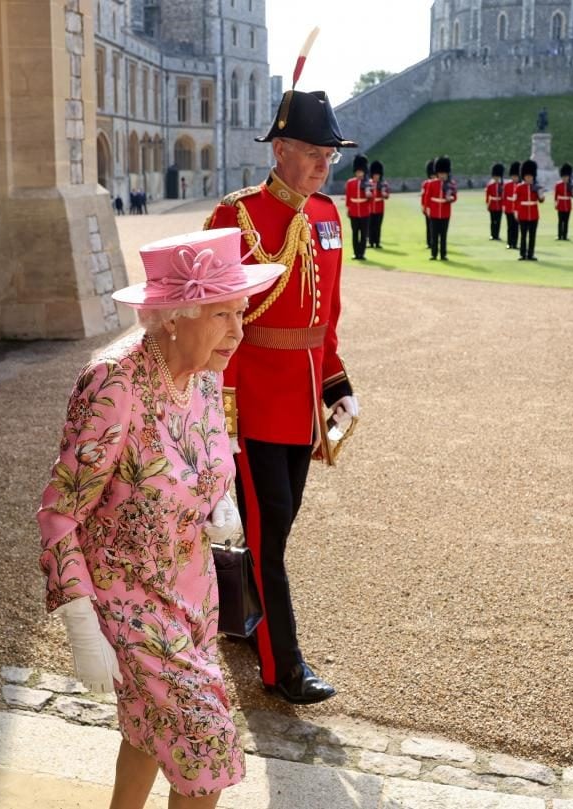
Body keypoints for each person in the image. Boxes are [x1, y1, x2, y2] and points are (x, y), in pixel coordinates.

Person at [38, 227, 285, 808]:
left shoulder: (206, 369)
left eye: (241, 313)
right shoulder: (111, 382)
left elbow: (208, 451)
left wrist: (217, 500)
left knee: (152, 728)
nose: (238, 331)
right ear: (177, 315)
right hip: (127, 600)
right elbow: (58, 511)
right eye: (224, 314)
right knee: (207, 746)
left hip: (195, 592)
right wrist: (80, 620)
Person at [202, 87, 358, 705]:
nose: (325, 165)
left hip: (302, 405)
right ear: (283, 150)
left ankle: (237, 607)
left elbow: (329, 315)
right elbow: (216, 316)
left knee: (279, 528)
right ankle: (283, 666)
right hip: (256, 403)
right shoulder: (236, 217)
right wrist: (224, 408)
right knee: (269, 538)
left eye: (332, 155)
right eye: (316, 153)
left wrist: (336, 382)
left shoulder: (325, 216)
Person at [422, 155, 457, 261]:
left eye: (444, 173)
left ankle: (443, 254)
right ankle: (434, 254)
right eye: (441, 173)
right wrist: (426, 208)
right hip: (434, 212)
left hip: (445, 212)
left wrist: (450, 198)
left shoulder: (451, 184)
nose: (442, 175)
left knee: (443, 235)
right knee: (434, 235)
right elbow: (427, 197)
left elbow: (455, 197)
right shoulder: (432, 184)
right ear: (437, 172)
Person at [514, 159, 545, 260]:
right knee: (523, 235)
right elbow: (516, 201)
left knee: (532, 236)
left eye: (531, 176)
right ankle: (523, 254)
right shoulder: (519, 187)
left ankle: (531, 254)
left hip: (534, 214)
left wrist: (541, 194)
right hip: (523, 214)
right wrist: (516, 212)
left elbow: (541, 200)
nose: (529, 178)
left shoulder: (536, 187)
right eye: (527, 176)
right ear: (524, 176)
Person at [345, 155, 372, 260]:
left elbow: (371, 199)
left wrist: (369, 195)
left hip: (365, 212)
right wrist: (348, 209)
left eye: (361, 171)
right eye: (358, 172)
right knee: (355, 233)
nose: (359, 173)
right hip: (354, 211)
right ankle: (356, 253)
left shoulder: (368, 183)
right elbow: (348, 197)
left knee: (364, 234)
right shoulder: (350, 182)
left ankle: (362, 253)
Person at [366, 159, 390, 249]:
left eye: (378, 175)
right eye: (375, 175)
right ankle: (371, 242)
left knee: (378, 226)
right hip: (370, 208)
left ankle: (377, 242)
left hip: (379, 207)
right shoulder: (368, 183)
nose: (376, 176)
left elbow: (387, 195)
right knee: (370, 226)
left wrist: (385, 194)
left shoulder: (383, 184)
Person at [485, 162, 505, 241]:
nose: (496, 178)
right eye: (495, 177)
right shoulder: (490, 185)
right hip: (492, 204)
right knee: (493, 221)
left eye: (498, 177)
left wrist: (503, 205)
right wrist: (487, 204)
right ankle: (492, 235)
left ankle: (497, 235)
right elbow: (487, 195)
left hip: (499, 205)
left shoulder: (502, 185)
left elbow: (503, 196)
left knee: (498, 221)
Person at [503, 161, 521, 249]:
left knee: (516, 227)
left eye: (516, 176)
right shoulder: (507, 185)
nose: (515, 178)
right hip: (509, 208)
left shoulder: (520, 186)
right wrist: (504, 207)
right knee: (510, 227)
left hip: (517, 210)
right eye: (513, 176)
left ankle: (515, 243)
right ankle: (509, 243)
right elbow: (504, 197)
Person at [554, 163, 573, 241]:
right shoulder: (558, 185)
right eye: (564, 177)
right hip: (561, 204)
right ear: (562, 176)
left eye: (567, 177)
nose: (566, 178)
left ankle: (565, 236)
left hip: (567, 204)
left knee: (566, 221)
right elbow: (556, 195)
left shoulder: (570, 185)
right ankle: (559, 235)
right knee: (560, 221)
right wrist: (555, 203)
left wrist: (572, 190)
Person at [423, 159, 436, 253]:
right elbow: (424, 197)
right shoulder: (426, 183)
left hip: (436, 208)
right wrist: (424, 207)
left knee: (435, 227)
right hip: (428, 207)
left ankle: (434, 242)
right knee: (428, 225)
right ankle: (429, 242)